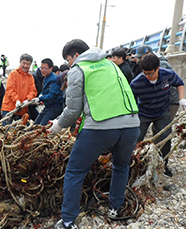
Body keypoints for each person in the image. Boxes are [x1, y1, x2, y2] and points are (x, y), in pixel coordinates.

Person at [50, 39, 140, 228]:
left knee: (75, 171)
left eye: (68, 60)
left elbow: (73, 110)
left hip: (99, 128)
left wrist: (58, 125)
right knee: (121, 167)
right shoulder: (111, 64)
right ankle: (115, 209)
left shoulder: (79, 69)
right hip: (131, 126)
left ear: (75, 56)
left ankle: (67, 221)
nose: (69, 65)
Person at [130, 52, 186, 177]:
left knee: (165, 137)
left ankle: (163, 165)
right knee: (135, 139)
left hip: (162, 112)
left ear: (157, 68)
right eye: (145, 73)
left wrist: (182, 98)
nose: (147, 76)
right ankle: (132, 165)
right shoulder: (136, 83)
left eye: (150, 73)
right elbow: (131, 101)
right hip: (144, 113)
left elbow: (179, 83)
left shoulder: (167, 75)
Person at [1, 53, 37, 125]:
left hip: (23, 109)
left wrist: (28, 99)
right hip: (9, 107)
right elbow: (10, 89)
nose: (25, 66)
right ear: (20, 62)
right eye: (24, 63)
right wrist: (16, 100)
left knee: (24, 130)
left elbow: (33, 91)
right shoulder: (13, 74)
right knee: (5, 129)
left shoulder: (30, 77)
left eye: (28, 64)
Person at [32, 58, 64, 125]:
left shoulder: (54, 79)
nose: (42, 70)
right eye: (41, 68)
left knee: (41, 127)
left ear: (51, 68)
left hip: (55, 108)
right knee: (36, 124)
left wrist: (40, 98)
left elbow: (51, 95)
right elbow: (44, 91)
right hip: (48, 107)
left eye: (45, 68)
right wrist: (41, 95)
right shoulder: (46, 77)